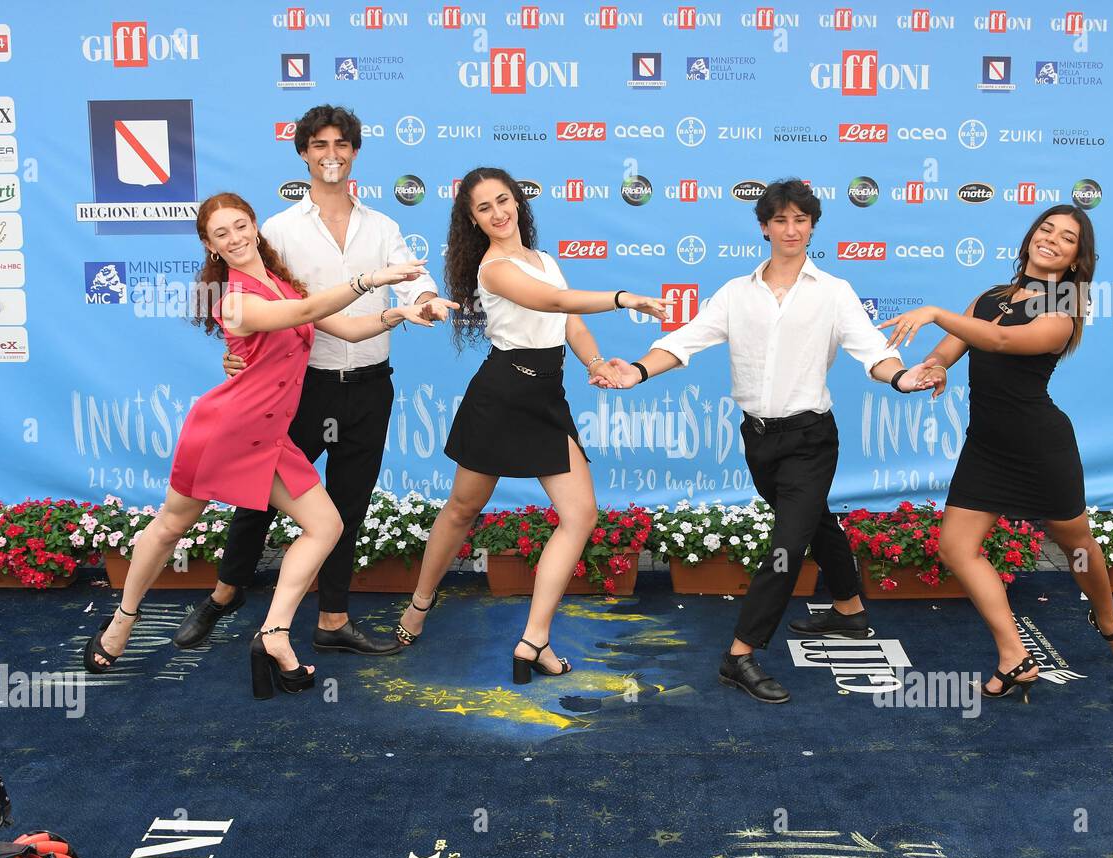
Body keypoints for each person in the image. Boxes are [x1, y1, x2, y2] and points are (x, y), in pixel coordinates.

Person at [595, 179, 939, 704]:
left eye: (801, 220)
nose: (791, 229)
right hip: (758, 441)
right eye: (780, 220)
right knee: (816, 521)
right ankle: (849, 610)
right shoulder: (736, 293)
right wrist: (635, 372)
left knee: (786, 546)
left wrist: (902, 378)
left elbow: (871, 351)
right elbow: (686, 341)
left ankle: (740, 654)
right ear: (764, 227)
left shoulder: (834, 292)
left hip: (811, 439)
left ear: (812, 226)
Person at [85, 192, 434, 700]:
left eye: (241, 225)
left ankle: (273, 633)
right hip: (225, 430)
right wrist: (373, 278)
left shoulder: (280, 283)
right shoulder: (235, 299)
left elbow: (349, 329)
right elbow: (312, 308)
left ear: (255, 228)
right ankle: (122, 621)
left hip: (269, 435)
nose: (236, 237)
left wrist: (400, 314)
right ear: (210, 246)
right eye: (221, 233)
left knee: (327, 525)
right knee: (171, 526)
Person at [173, 105, 451, 658]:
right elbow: (248, 308)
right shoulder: (275, 228)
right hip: (300, 390)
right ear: (303, 153)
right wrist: (238, 362)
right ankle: (225, 593)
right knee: (257, 500)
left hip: (371, 383)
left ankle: (332, 619)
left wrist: (423, 302)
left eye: (341, 144)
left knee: (348, 505)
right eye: (319, 144)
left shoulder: (383, 226)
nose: (331, 154)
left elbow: (412, 282)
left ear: (354, 152)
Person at [392, 166, 668, 684]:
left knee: (581, 514)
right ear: (472, 221)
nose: (498, 213)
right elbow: (556, 302)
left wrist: (594, 363)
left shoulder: (543, 259)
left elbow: (570, 322)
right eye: (483, 208)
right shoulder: (493, 269)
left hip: (545, 395)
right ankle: (420, 604)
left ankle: (534, 639)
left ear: (518, 202)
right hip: (501, 394)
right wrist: (624, 297)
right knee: (462, 509)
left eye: (503, 201)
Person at [878, 204, 1113, 703]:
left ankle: (1108, 622)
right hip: (988, 446)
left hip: (1040, 448)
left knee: (1077, 548)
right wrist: (935, 366)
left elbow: (1000, 341)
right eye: (1046, 229)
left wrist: (936, 311)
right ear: (1029, 238)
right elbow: (951, 347)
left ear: (1075, 260)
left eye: (1067, 238)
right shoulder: (990, 296)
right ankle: (1013, 655)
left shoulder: (1063, 310)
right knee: (955, 548)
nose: (1052, 240)